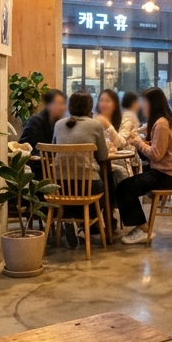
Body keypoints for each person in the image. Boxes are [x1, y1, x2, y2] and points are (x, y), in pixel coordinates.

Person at [115, 88, 172, 245]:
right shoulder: (163, 121)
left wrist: (138, 143)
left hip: (168, 176)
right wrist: (143, 142)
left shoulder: (162, 124)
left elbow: (156, 155)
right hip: (167, 173)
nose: (142, 105)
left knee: (124, 188)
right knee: (125, 186)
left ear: (153, 104)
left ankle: (143, 229)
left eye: (145, 102)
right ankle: (141, 227)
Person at [52, 91, 109, 248]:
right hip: (87, 185)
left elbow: (54, 148)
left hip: (59, 185)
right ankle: (86, 224)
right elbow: (103, 155)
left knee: (72, 190)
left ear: (70, 106)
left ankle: (70, 219)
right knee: (103, 187)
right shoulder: (95, 125)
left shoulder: (58, 124)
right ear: (90, 107)